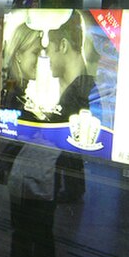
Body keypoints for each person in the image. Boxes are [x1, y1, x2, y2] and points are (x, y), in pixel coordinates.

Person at [0, 22, 60, 257]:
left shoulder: (39, 88)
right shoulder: (15, 90)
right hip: (23, 174)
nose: (41, 58)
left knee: (40, 233)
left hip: (40, 174)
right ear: (19, 55)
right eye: (36, 51)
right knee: (21, 231)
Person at [47, 10, 101, 201]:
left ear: (62, 45)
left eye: (48, 50)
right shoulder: (86, 85)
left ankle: (73, 188)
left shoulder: (77, 91)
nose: (47, 60)